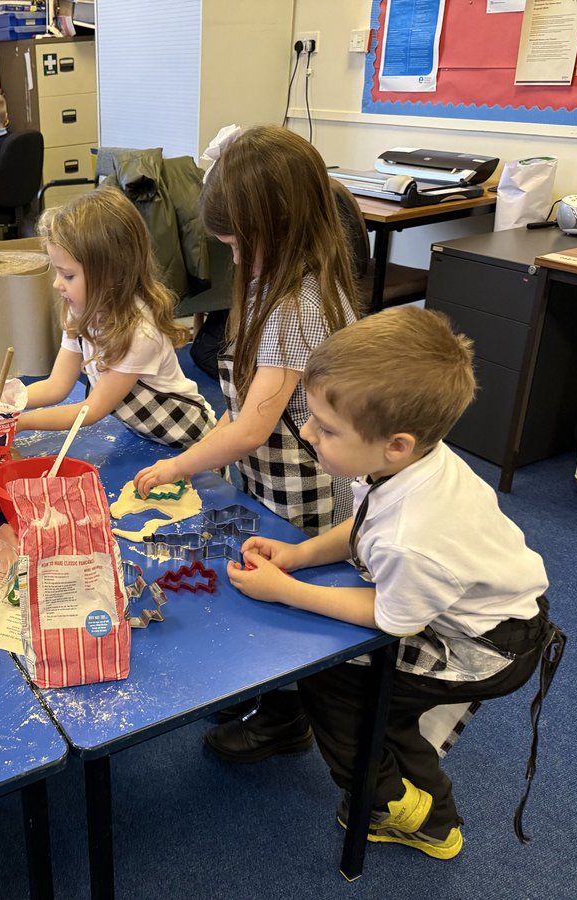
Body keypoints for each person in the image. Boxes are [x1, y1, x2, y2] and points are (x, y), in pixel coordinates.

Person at [229, 306, 565, 859]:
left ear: (397, 444)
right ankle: (395, 754)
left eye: (326, 428)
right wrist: (299, 554)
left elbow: (392, 617)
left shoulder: (414, 535)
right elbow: (362, 526)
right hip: (477, 611)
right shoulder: (403, 464)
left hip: (486, 647)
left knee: (339, 683)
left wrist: (285, 590)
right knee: (371, 696)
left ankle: (409, 812)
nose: (307, 431)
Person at [131, 125, 360, 762]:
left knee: (285, 605)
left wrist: (178, 463)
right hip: (265, 474)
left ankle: (285, 716)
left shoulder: (299, 302)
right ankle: (269, 697)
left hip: (298, 486)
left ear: (279, 226)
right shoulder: (283, 272)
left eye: (240, 244)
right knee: (258, 578)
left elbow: (253, 427)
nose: (233, 258)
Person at [17, 189, 217, 447]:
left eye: (68, 276)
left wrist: (21, 422)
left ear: (111, 274)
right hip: (146, 439)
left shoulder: (139, 332)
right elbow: (56, 386)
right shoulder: (79, 311)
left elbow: (92, 410)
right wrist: (4, 400)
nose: (57, 284)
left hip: (190, 442)